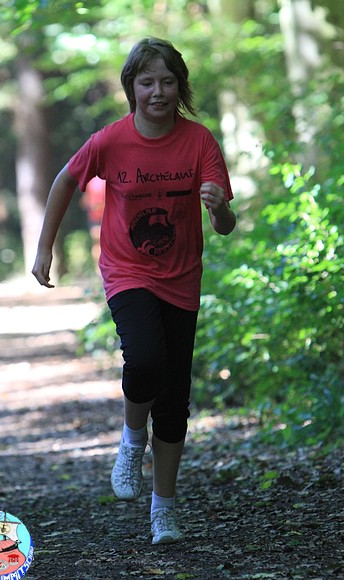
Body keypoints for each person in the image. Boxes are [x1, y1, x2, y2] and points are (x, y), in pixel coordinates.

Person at [32, 37, 236, 545]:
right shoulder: (111, 141)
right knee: (144, 359)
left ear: (180, 87)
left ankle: (163, 510)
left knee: (174, 399)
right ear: (132, 88)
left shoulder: (199, 142)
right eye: (147, 82)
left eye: (167, 81)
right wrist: (44, 249)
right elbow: (64, 181)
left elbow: (225, 225)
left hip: (182, 276)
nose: (158, 91)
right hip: (127, 271)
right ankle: (130, 438)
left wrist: (219, 209)